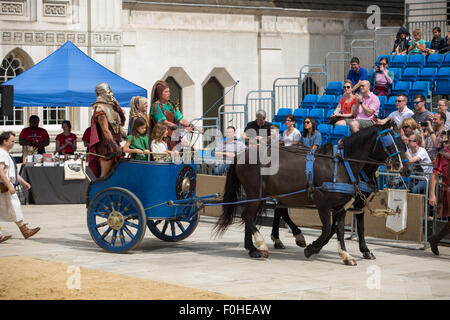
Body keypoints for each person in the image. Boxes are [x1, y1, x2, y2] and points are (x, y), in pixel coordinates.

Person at [0, 131, 40, 240]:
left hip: (5, 186)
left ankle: (24, 230)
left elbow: (13, 173)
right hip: (3, 187)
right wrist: (9, 186)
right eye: (12, 141)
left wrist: (24, 182)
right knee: (14, 207)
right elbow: (1, 172)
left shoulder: (6, 154)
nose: (14, 143)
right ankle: (25, 230)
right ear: (4, 141)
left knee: (13, 208)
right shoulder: (1, 153)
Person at [88, 82, 126, 178]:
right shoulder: (100, 110)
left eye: (110, 91)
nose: (110, 94)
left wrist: (118, 108)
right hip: (106, 148)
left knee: (114, 175)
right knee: (104, 175)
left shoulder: (111, 107)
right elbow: (105, 131)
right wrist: (115, 146)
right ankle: (98, 192)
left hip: (114, 144)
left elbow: (122, 123)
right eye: (107, 91)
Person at [149, 80, 200, 150]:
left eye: (169, 91)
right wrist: (183, 129)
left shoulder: (170, 105)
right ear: (159, 93)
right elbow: (164, 122)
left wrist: (193, 127)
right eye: (166, 92)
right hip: (163, 139)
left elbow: (181, 120)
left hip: (174, 139)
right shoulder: (156, 106)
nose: (169, 93)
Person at [428, 131, 450, 255]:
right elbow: (435, 175)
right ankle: (435, 239)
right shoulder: (443, 155)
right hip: (447, 192)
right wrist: (432, 193)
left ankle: (435, 239)